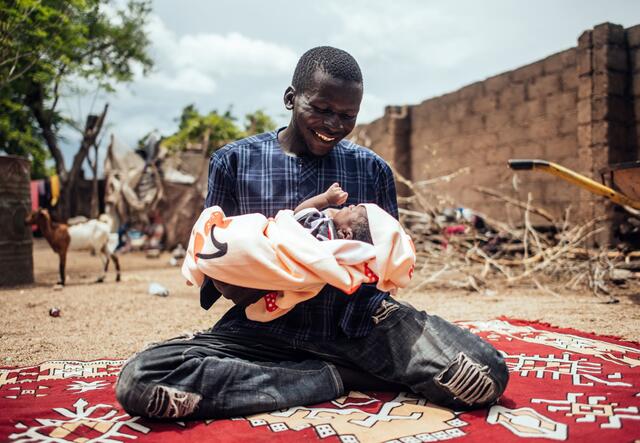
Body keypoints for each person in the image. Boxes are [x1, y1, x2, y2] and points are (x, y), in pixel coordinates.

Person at [116, 46, 508, 420]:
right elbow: (218, 272)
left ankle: (311, 374)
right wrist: (281, 268)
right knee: (143, 381)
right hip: (260, 331)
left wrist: (340, 266)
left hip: (359, 324)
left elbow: (386, 267)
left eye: (347, 115)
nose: (333, 125)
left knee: (484, 375)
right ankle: (332, 377)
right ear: (290, 98)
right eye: (320, 109)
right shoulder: (233, 162)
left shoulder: (372, 170)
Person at [182, 182, 415, 322]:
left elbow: (297, 213)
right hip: (254, 272)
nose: (349, 205)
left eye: (353, 210)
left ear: (346, 235)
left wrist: (324, 200)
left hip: (252, 272)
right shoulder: (346, 253)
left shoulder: (322, 226)